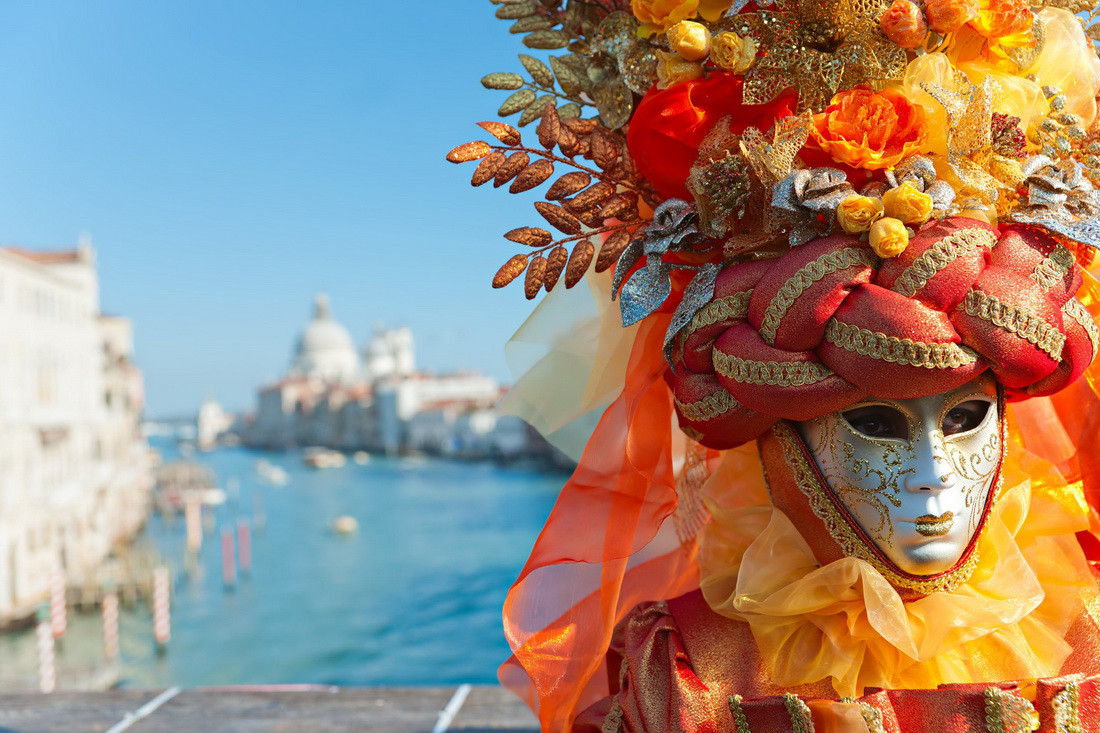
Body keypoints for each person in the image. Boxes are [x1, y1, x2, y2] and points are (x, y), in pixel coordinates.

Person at [448, 0, 1100, 729]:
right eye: (876, 423)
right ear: (780, 436)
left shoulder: (1086, 628)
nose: (935, 476)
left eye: (966, 418)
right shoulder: (691, 674)